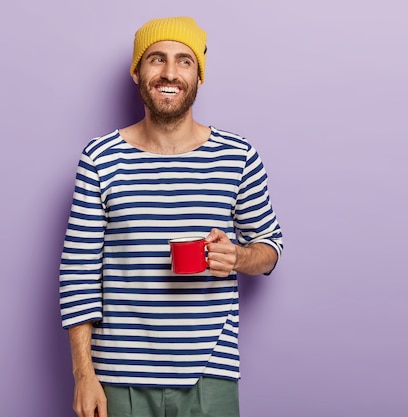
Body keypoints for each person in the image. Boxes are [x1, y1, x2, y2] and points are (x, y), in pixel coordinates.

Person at [59, 16, 284, 417]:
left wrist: (238, 256)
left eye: (184, 61)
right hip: (118, 378)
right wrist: (84, 375)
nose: (169, 72)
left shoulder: (238, 157)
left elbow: (270, 248)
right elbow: (78, 274)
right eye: (156, 59)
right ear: (137, 71)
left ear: (199, 75)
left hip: (209, 375)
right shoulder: (100, 158)